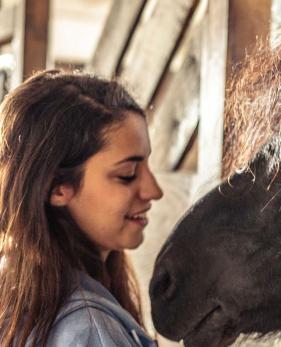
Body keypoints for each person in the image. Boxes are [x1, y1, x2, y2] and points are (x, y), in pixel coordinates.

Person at [0, 70, 163, 346]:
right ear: (57, 187)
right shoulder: (90, 330)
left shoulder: (15, 294)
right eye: (127, 174)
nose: (154, 191)